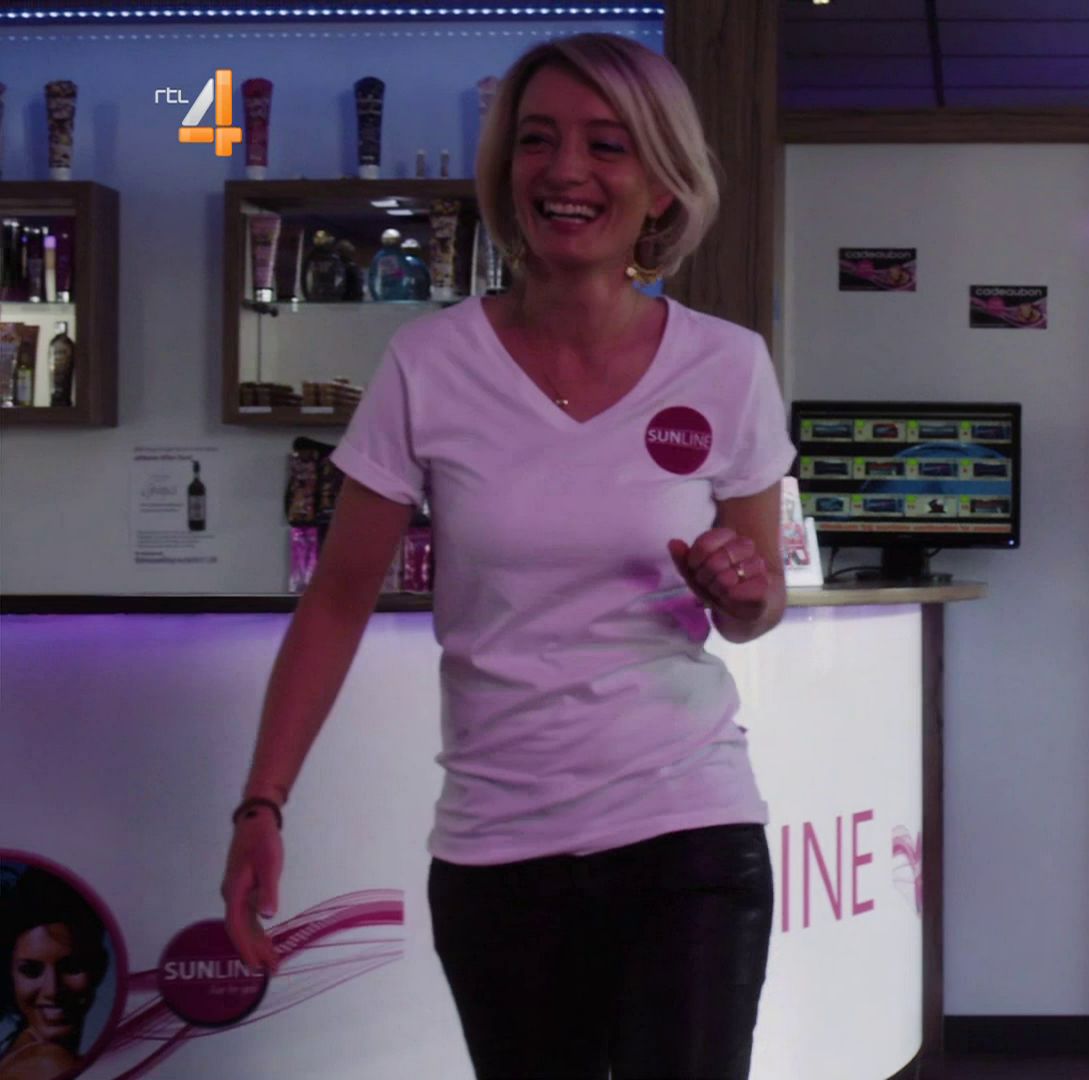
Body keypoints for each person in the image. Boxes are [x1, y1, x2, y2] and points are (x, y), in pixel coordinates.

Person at [220, 33, 795, 1080]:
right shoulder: (428, 363)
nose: (566, 170)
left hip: (689, 831)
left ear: (664, 184)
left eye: (607, 144)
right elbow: (338, 599)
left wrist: (744, 591)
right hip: (500, 851)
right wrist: (264, 802)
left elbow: (756, 608)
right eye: (538, 140)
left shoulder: (728, 364)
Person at [0, 868, 109, 1080]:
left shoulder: (22, 1052)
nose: (52, 990)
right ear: (9, 976)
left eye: (72, 966)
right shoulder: (50, 1064)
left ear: (100, 967)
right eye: (31, 970)